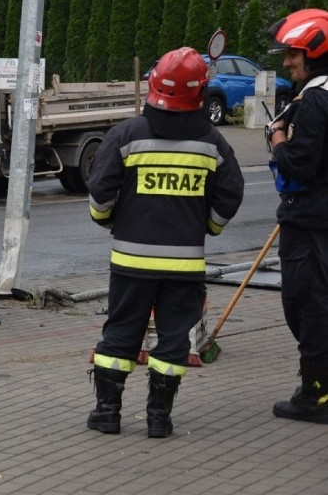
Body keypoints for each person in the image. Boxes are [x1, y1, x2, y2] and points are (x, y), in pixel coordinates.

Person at [85, 47, 245, 437]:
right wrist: (209, 225)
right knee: (174, 343)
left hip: (131, 262)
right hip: (184, 268)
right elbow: (231, 193)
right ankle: (159, 418)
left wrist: (108, 220)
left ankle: (107, 413)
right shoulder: (213, 143)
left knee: (120, 334)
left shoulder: (127, 135)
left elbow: (100, 190)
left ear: (154, 85)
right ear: (200, 93)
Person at [265, 8, 328, 424]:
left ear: (315, 51)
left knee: (307, 305)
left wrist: (278, 141)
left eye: (292, 53)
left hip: (309, 223)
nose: (287, 61)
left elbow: (301, 165)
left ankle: (315, 395)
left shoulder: (314, 101)